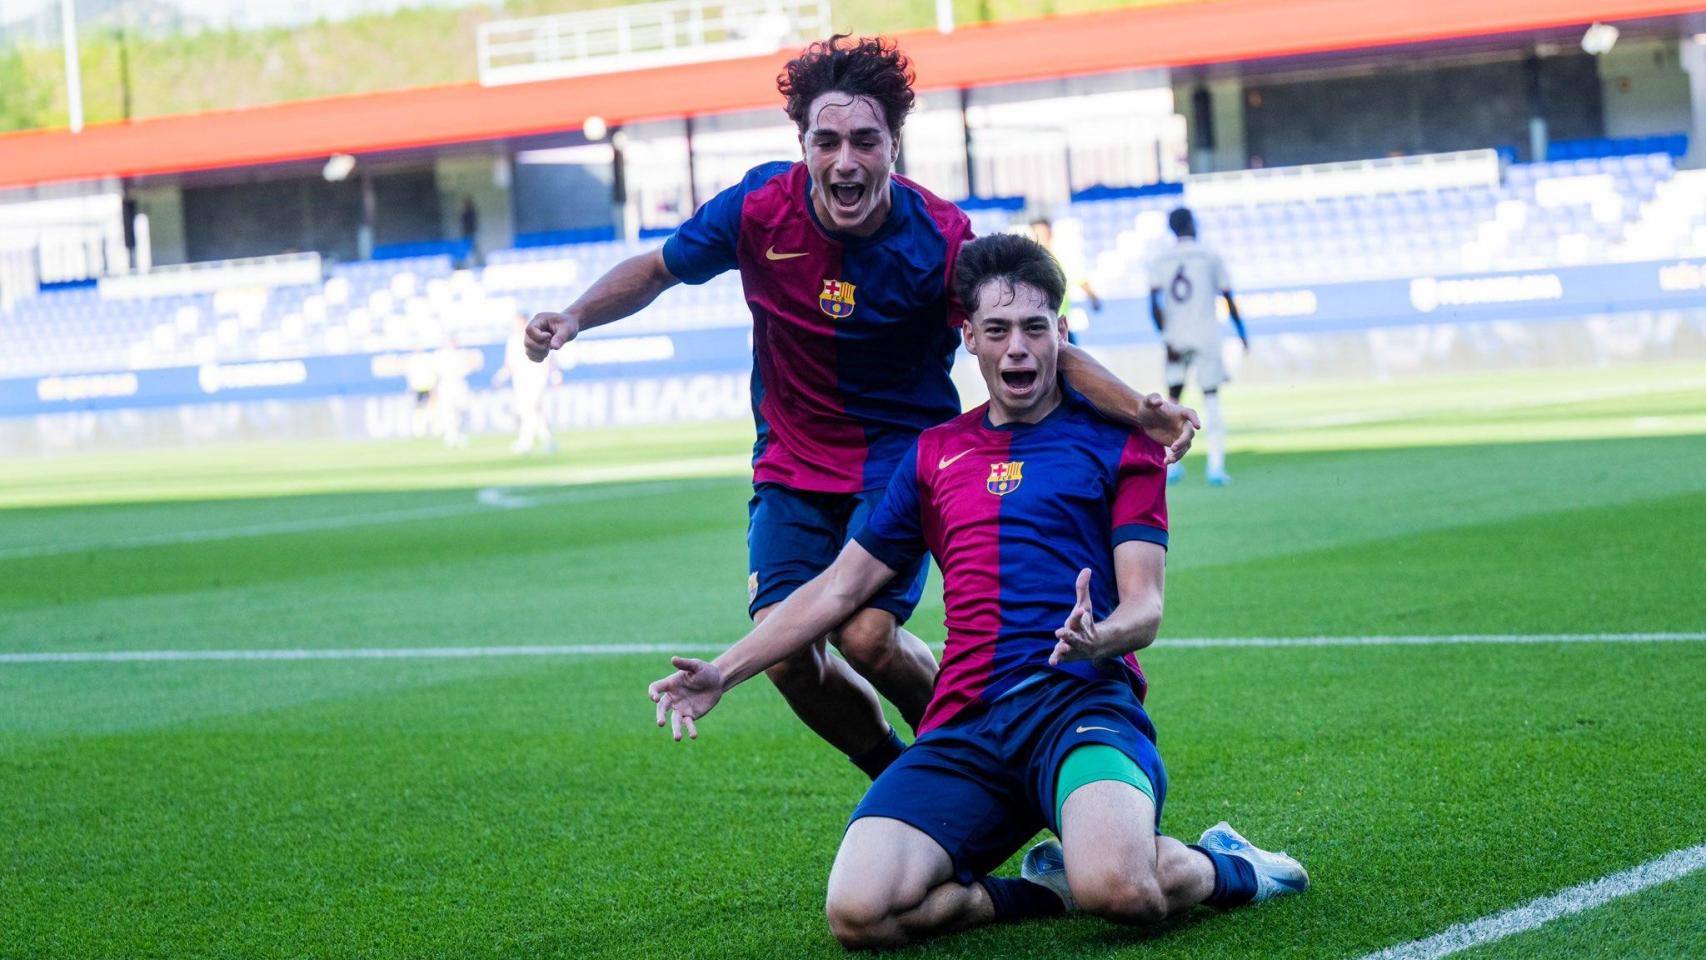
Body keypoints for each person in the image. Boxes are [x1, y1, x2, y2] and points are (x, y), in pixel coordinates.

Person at [528, 35, 1200, 779]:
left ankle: (986, 765)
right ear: (803, 145)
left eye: (865, 140)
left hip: (901, 463)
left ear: (894, 144)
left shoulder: (941, 239)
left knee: (868, 636)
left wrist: (1141, 411)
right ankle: (904, 782)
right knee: (786, 658)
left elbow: (1030, 339)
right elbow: (657, 269)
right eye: (827, 141)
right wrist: (574, 317)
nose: (845, 160)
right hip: (788, 464)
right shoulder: (757, 208)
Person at [647, 234, 1306, 949]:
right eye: (997, 330)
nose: (1017, 349)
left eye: (1034, 328)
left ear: (1062, 332)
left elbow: (1144, 605)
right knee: (860, 914)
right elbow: (839, 589)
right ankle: (1048, 888)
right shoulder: (934, 455)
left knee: (1120, 890)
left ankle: (1229, 864)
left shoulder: (1124, 447)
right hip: (966, 723)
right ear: (969, 339)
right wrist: (724, 671)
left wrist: (1102, 639)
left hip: (1080, 708)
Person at [1149, 207, 1247, 486]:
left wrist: (1165, 336)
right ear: (1192, 224)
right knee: (1212, 399)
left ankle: (1170, 465)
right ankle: (1216, 467)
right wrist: (1242, 332)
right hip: (1206, 337)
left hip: (1176, 339)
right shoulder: (1210, 255)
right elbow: (1228, 297)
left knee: (1173, 402)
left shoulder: (1161, 259)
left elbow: (1153, 304)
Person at [492, 312, 561, 455]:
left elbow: (550, 358)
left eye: (518, 321)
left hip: (537, 377)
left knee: (529, 409)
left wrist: (555, 376)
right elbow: (509, 363)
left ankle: (525, 442)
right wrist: (500, 377)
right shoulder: (512, 340)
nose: (516, 325)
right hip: (520, 379)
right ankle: (548, 440)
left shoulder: (537, 335)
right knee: (533, 411)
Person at [1029, 217, 1101, 344]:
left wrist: (1093, 297)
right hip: (1035, 320)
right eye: (1036, 234)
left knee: (1066, 355)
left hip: (1058, 318)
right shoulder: (1027, 261)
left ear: (1050, 234)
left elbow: (1079, 278)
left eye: (1043, 234)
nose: (1039, 238)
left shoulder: (1060, 258)